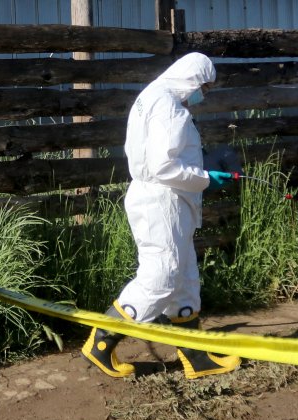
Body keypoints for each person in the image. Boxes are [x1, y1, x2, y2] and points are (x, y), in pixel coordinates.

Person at [82, 52, 241, 380]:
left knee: (184, 278)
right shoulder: (170, 108)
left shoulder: (152, 96)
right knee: (162, 276)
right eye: (205, 88)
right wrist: (207, 178)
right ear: (193, 80)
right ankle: (101, 342)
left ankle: (196, 357)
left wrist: (199, 168)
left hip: (161, 198)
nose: (203, 96)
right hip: (162, 200)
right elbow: (164, 166)